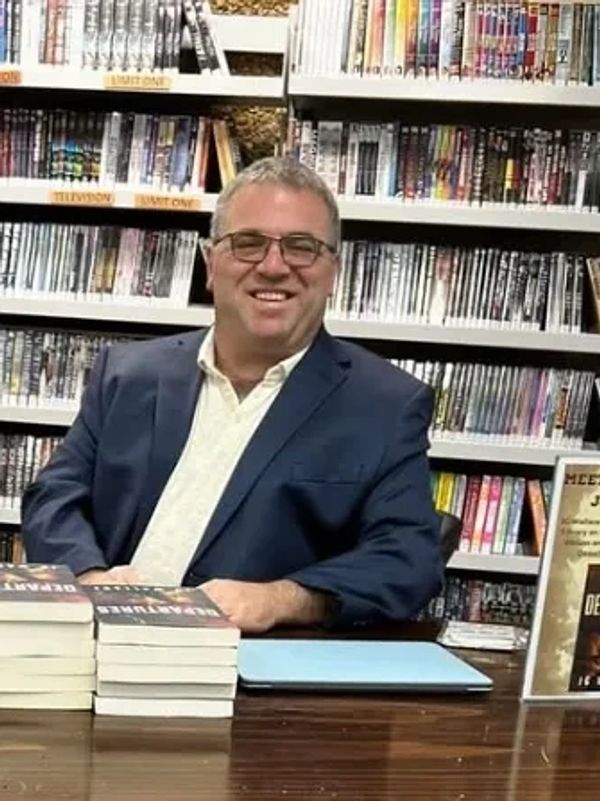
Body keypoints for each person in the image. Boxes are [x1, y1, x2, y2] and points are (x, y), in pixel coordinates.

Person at [22, 157, 443, 632]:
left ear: (333, 273)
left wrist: (283, 599)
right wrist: (89, 579)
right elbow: (53, 497)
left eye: (301, 247)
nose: (274, 266)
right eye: (248, 243)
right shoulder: (125, 375)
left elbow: (408, 559)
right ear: (210, 264)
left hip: (249, 664)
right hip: (101, 642)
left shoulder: (385, 405)